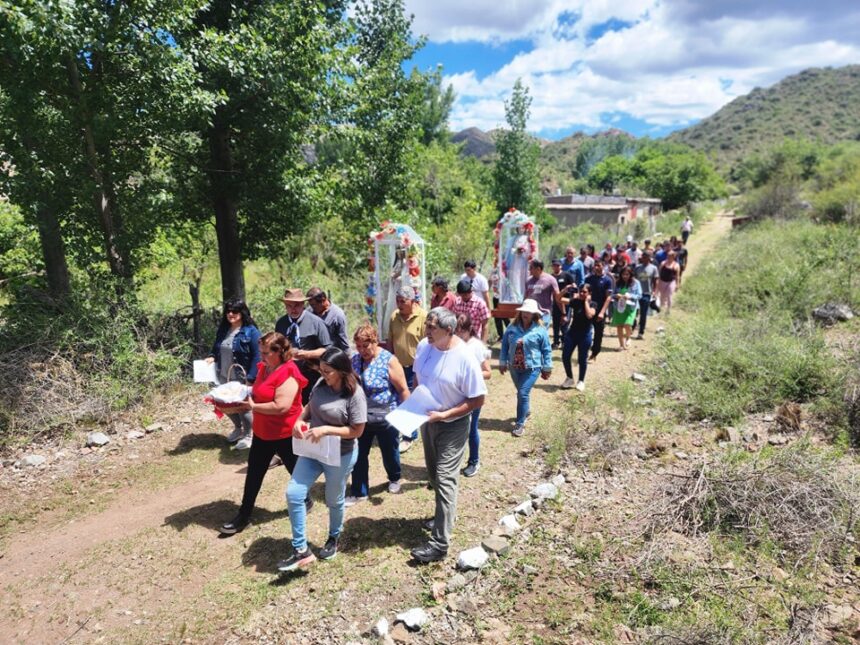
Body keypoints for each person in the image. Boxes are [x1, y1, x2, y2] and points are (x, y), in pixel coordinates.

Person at [278, 348, 367, 572]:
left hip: (340, 454)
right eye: (322, 370)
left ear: (342, 371)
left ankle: (333, 537)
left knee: (333, 499)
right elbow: (310, 407)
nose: (324, 375)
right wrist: (299, 420)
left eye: (328, 371)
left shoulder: (354, 394)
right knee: (294, 493)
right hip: (312, 449)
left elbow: (357, 431)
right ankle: (301, 550)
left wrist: (326, 430)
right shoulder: (320, 384)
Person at [410, 307, 486, 564]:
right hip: (427, 420)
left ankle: (439, 544)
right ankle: (444, 515)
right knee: (433, 475)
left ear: (449, 330)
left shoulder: (464, 357)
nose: (426, 330)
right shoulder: (424, 346)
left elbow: (477, 398)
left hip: (452, 424)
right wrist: (414, 403)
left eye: (432, 326)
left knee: (444, 478)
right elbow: (417, 378)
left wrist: (445, 415)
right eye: (427, 325)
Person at [219, 332, 308, 535]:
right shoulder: (264, 368)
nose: (262, 356)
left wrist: (252, 406)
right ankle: (243, 515)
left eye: (266, 352)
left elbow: (282, 406)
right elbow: (257, 391)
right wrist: (238, 394)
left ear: (280, 352)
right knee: (254, 474)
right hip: (263, 431)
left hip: (285, 433)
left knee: (297, 471)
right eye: (261, 352)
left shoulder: (289, 371)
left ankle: (306, 499)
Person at [346, 324, 409, 506]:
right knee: (358, 454)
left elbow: (403, 389)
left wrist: (406, 419)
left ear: (374, 341)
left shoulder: (389, 360)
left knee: (389, 452)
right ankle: (359, 491)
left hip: (386, 416)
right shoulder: (355, 360)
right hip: (361, 417)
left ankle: (394, 478)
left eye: (365, 346)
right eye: (358, 346)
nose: (362, 350)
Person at [206, 299, 261, 450]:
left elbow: (258, 356)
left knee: (243, 407)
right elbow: (217, 347)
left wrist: (251, 377)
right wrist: (212, 356)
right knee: (225, 404)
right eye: (228, 311)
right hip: (224, 374)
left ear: (242, 313)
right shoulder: (224, 329)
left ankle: (249, 435)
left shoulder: (251, 331)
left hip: (242, 376)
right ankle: (238, 428)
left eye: (235, 311)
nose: (231, 314)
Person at [498, 299, 552, 437]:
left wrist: (547, 366)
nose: (525, 314)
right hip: (514, 367)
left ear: (534, 314)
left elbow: (546, 349)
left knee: (522, 393)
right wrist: (502, 362)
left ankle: (520, 423)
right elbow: (504, 346)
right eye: (524, 311)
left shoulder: (540, 330)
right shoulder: (511, 328)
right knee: (522, 393)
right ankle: (525, 410)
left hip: (532, 367)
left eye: (529, 312)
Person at [275, 288, 331, 405]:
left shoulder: (316, 322)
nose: (293, 309)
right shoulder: (281, 323)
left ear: (303, 304)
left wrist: (306, 354)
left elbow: (327, 349)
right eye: (289, 306)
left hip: (311, 374)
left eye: (296, 305)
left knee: (309, 408)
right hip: (288, 376)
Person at [388, 286, 426, 451]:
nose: (399, 305)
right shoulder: (394, 316)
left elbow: (428, 344)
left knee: (410, 401)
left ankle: (409, 435)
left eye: (403, 302)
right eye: (397, 301)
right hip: (397, 366)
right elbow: (390, 340)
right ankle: (405, 431)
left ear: (412, 301)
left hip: (415, 368)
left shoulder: (423, 317)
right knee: (398, 399)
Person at [455, 312, 491, 478]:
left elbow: (488, 372)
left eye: (461, 331)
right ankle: (454, 463)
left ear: (469, 329)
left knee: (471, 428)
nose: (458, 334)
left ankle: (474, 461)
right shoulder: (454, 344)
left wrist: (471, 374)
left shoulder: (476, 346)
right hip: (457, 393)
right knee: (456, 429)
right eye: (456, 331)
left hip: (474, 393)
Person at [560, 284, 596, 391]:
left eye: (585, 292)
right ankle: (569, 378)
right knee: (565, 356)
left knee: (582, 359)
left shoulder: (593, 304)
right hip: (572, 333)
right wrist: (565, 290)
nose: (581, 293)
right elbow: (559, 299)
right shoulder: (575, 302)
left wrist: (585, 302)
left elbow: (590, 315)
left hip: (585, 335)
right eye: (581, 291)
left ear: (589, 293)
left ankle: (581, 381)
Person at [585, 260, 613, 363]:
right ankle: (584, 351)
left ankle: (594, 353)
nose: (596, 267)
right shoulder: (589, 279)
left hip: (600, 310)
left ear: (603, 266)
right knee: (585, 331)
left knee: (598, 333)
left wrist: (602, 312)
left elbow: (608, 297)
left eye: (599, 265)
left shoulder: (607, 280)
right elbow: (586, 293)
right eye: (595, 265)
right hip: (589, 309)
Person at [305, 287, 349, 353]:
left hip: (331, 356)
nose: (312, 307)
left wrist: (347, 359)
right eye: (310, 305)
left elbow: (343, 341)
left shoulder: (337, 315)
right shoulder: (309, 312)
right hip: (313, 355)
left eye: (314, 305)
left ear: (323, 300)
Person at [611, 266, 642, 351]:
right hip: (619, 307)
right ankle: (621, 345)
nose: (625, 276)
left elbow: (639, 295)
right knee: (619, 326)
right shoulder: (617, 283)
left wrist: (630, 296)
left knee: (627, 324)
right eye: (623, 274)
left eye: (627, 274)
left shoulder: (636, 283)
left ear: (631, 274)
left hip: (631, 307)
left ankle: (628, 337)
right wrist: (616, 296)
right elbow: (612, 294)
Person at [451, 278, 491, 344]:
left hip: (474, 339)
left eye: (466, 295)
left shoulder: (480, 303)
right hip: (459, 339)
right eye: (462, 295)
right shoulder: (457, 302)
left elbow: (485, 325)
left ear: (471, 291)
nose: (464, 297)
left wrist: (483, 344)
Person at [525, 259, 561, 327]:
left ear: (538, 269)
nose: (529, 270)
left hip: (544, 314)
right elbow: (526, 296)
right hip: (531, 313)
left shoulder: (550, 279)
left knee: (541, 333)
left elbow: (558, 297)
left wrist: (563, 313)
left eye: (531, 268)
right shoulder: (528, 280)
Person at [549, 259, 576, 349]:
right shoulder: (551, 277)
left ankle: (565, 341)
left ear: (561, 266)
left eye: (558, 265)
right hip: (555, 302)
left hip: (566, 301)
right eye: (554, 265)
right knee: (555, 323)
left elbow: (574, 286)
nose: (556, 267)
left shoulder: (566, 275)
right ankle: (556, 342)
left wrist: (573, 296)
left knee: (564, 323)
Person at [633, 252, 658, 340]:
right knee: (635, 312)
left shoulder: (653, 268)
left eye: (646, 257)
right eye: (643, 257)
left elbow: (655, 281)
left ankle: (641, 332)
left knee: (643, 313)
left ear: (649, 258)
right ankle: (633, 325)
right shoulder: (637, 268)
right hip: (636, 293)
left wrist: (654, 292)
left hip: (646, 293)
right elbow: (633, 279)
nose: (644, 258)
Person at [502, 225, 529, 303]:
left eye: (523, 228)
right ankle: (514, 297)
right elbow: (509, 250)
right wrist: (516, 251)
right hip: (515, 261)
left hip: (524, 262)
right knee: (515, 278)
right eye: (519, 227)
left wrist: (523, 251)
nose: (521, 229)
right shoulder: (513, 238)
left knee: (523, 278)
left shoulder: (527, 238)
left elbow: (529, 250)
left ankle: (523, 295)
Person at [656, 250, 681, 316]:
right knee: (662, 296)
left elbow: (677, 276)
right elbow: (659, 273)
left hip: (671, 282)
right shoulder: (663, 263)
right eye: (668, 255)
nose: (668, 256)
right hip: (662, 281)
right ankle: (661, 309)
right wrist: (657, 281)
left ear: (673, 257)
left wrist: (677, 284)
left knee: (669, 296)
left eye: (670, 255)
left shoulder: (676, 265)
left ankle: (668, 310)